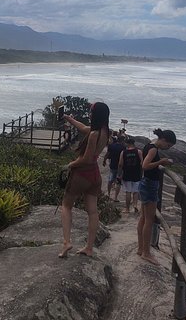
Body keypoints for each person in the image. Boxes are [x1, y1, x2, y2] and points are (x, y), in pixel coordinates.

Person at [59, 101, 111, 258]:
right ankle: (89, 247)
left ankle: (67, 242)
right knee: (92, 211)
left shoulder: (94, 134)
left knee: (66, 205)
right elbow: (82, 128)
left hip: (82, 174)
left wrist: (69, 165)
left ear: (96, 115)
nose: (89, 114)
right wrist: (69, 118)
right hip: (95, 175)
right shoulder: (104, 132)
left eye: (91, 112)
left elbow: (86, 159)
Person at [137, 128, 177, 265]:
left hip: (145, 182)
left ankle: (140, 248)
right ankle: (146, 253)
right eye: (168, 145)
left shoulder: (149, 144)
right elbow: (145, 165)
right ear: (164, 140)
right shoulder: (153, 149)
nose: (167, 148)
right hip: (150, 184)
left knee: (143, 218)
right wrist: (161, 162)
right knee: (149, 220)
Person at [118, 137, 143, 214]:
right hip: (136, 174)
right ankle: (135, 205)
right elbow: (142, 163)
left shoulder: (123, 152)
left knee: (128, 191)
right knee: (135, 191)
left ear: (128, 144)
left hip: (127, 174)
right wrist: (141, 173)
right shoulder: (138, 151)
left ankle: (127, 209)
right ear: (133, 143)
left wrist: (119, 174)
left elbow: (120, 164)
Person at [103, 133, 125, 201]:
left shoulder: (111, 146)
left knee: (110, 180)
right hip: (120, 167)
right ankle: (116, 197)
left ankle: (108, 194)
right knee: (118, 182)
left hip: (112, 165)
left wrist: (104, 160)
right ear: (122, 141)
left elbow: (107, 154)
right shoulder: (123, 147)